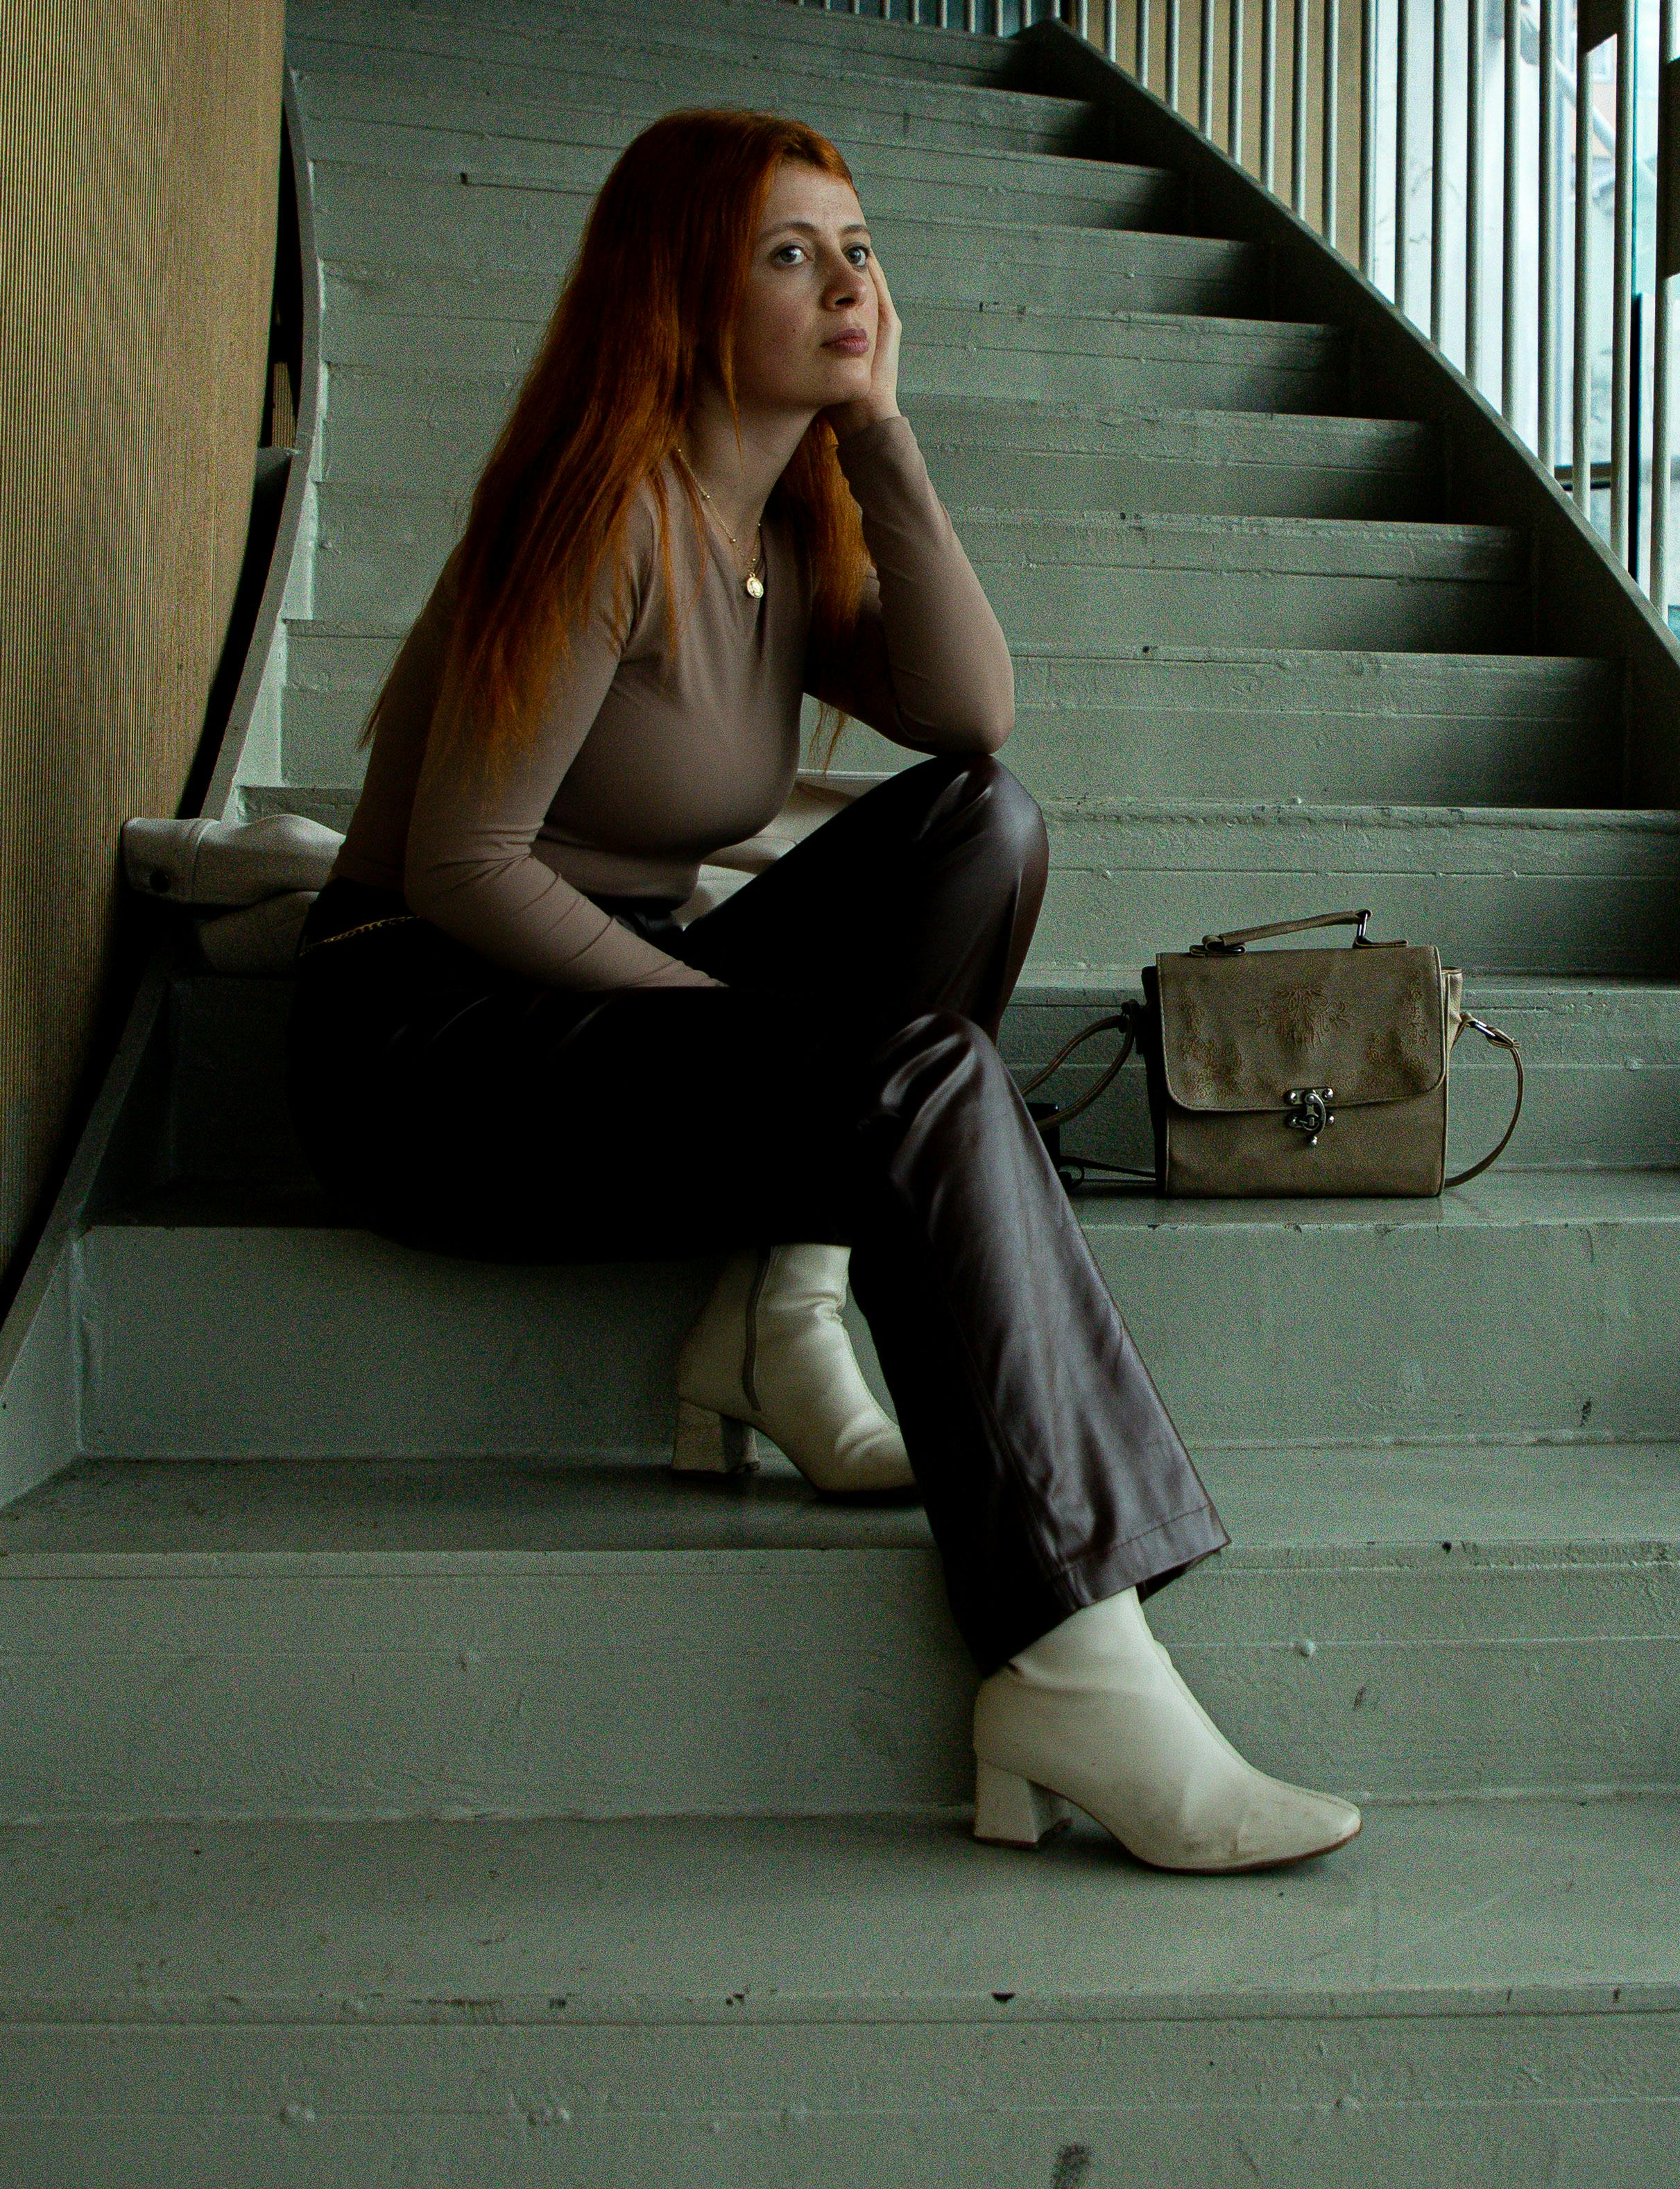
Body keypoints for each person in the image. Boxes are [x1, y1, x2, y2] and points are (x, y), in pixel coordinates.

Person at [284, 107, 1360, 1877]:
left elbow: (971, 717)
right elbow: (464, 867)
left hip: (604, 988)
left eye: (857, 246)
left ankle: (773, 1318)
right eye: (789, 252)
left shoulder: (784, 525)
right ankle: (1078, 1661)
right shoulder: (602, 510)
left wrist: (887, 446)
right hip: (426, 1036)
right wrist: (728, 1035)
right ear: (681, 293)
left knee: (979, 830)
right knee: (921, 1078)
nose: (846, 277)